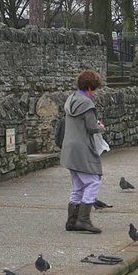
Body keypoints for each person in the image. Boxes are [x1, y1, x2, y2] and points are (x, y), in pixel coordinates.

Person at [60, 70, 105, 234]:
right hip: (82, 149)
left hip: (69, 148)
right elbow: (92, 127)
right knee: (93, 181)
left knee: (78, 185)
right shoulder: (87, 104)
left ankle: (71, 220)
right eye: (95, 89)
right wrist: (101, 127)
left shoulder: (71, 100)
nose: (95, 92)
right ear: (89, 88)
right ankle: (83, 219)